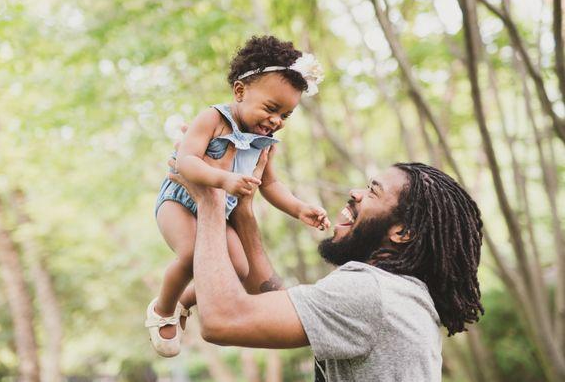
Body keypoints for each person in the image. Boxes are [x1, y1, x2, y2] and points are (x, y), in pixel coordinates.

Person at [168, 141, 484, 382]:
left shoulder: (371, 292)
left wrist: (210, 200)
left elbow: (222, 320)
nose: (355, 192)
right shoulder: (397, 295)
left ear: (403, 232)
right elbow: (273, 300)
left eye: (373, 192)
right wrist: (244, 213)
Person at [146, 35, 330, 357]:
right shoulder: (214, 119)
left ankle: (183, 302)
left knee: (240, 270)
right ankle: (162, 308)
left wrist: (299, 208)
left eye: (285, 115)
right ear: (240, 91)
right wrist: (223, 179)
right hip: (179, 200)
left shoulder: (265, 142)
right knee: (192, 254)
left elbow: (270, 186)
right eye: (272, 109)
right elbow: (186, 161)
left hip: (220, 211)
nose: (276, 121)